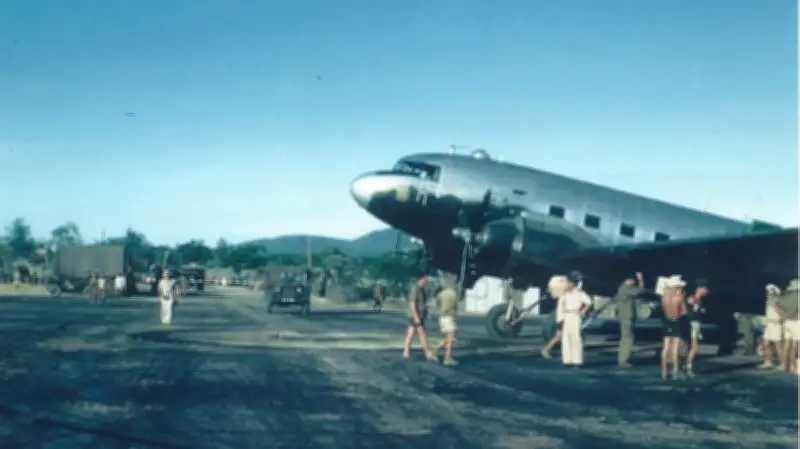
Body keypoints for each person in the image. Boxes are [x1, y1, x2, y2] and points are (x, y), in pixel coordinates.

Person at [557, 271, 592, 367]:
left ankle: (577, 361)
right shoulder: (564, 294)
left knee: (576, 338)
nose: (567, 284)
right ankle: (567, 360)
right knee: (566, 339)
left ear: (572, 284)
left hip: (575, 315)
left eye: (569, 283)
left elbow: (588, 302)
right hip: (567, 315)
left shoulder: (579, 293)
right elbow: (560, 307)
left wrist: (582, 311)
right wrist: (560, 320)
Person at [402, 274, 438, 361]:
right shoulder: (415, 289)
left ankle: (406, 352)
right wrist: (416, 317)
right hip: (415, 316)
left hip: (420, 316)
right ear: (421, 279)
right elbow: (412, 304)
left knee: (410, 334)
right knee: (422, 334)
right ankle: (428, 353)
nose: (427, 281)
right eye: (426, 279)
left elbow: (423, 304)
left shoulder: (422, 289)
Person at [615, 272, 645, 368]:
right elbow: (641, 291)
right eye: (632, 281)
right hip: (627, 317)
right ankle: (623, 361)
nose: (633, 282)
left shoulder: (622, 289)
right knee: (627, 339)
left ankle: (622, 359)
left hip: (625, 317)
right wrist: (640, 279)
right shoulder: (626, 290)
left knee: (625, 338)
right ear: (628, 281)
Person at [660, 275, 687, 380]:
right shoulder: (679, 297)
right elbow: (683, 312)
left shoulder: (664, 296)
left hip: (667, 320)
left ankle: (664, 371)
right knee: (675, 347)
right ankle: (675, 370)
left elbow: (663, 308)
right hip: (676, 321)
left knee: (665, 347)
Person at [683, 279, 709, 377]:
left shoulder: (699, 300)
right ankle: (688, 366)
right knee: (695, 346)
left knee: (692, 346)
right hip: (693, 324)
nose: (706, 291)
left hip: (696, 324)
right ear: (699, 289)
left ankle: (687, 364)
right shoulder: (693, 299)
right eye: (705, 289)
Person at [775, 279, 800, 375]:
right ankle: (795, 367)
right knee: (795, 346)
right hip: (796, 322)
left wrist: (784, 315)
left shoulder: (785, 297)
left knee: (786, 345)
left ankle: (785, 365)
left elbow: (775, 305)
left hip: (787, 322)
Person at [541, 275, 569, 359]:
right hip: (561, 320)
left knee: (558, 337)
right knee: (558, 337)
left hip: (560, 320)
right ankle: (546, 350)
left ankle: (546, 350)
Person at [433, 276, 459, 366]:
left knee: (449, 338)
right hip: (449, 317)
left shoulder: (441, 294)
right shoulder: (453, 293)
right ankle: (447, 358)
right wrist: (455, 315)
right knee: (451, 339)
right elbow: (455, 306)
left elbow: (437, 305)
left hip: (442, 317)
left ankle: (435, 351)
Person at [759, 284, 785, 370]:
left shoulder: (779, 301)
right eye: (768, 293)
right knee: (767, 345)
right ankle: (768, 363)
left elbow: (784, 313)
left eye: (771, 293)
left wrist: (775, 307)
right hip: (769, 326)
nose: (769, 294)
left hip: (777, 325)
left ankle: (783, 364)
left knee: (779, 346)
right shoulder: (768, 302)